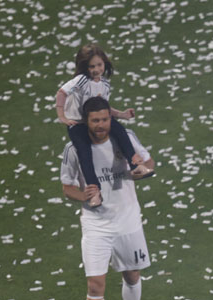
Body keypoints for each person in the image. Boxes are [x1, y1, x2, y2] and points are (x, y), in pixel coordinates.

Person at [60, 96, 154, 300]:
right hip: (96, 225)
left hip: (127, 222)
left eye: (105, 119)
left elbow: (150, 163)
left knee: (132, 275)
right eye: (95, 120)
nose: (101, 125)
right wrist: (85, 198)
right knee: (95, 286)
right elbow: (67, 188)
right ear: (86, 121)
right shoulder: (74, 149)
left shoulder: (125, 138)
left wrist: (140, 173)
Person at [56, 43, 153, 207]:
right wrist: (62, 116)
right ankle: (95, 193)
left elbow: (105, 108)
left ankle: (137, 165)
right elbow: (61, 93)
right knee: (85, 155)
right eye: (91, 66)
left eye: (99, 65)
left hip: (98, 120)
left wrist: (122, 114)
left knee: (121, 132)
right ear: (84, 66)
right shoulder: (80, 81)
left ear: (105, 63)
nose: (96, 69)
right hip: (79, 124)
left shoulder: (105, 83)